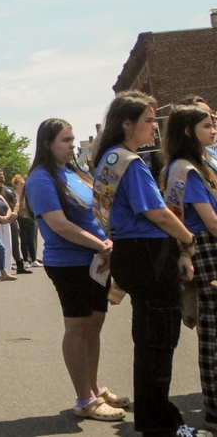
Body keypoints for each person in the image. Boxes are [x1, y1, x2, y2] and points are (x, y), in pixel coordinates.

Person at [92, 91, 200, 437]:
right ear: (127, 123)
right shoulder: (131, 163)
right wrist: (188, 240)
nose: (155, 127)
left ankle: (156, 418)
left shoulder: (109, 159)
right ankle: (161, 422)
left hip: (129, 252)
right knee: (160, 339)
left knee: (149, 338)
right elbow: (156, 213)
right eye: (149, 120)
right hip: (149, 255)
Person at [25, 118, 127, 422]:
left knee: (93, 326)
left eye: (72, 140)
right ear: (47, 144)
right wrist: (100, 245)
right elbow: (59, 225)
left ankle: (93, 390)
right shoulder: (41, 179)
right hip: (69, 263)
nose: (71, 146)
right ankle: (84, 399)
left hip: (94, 261)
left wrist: (105, 243)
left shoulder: (71, 172)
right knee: (78, 328)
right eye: (65, 141)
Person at [159, 104, 217, 431]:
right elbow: (211, 223)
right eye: (206, 125)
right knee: (212, 335)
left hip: (206, 250)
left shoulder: (196, 164)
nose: (213, 129)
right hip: (209, 252)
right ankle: (214, 412)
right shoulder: (187, 169)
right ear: (187, 131)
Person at [14, 174, 41, 267]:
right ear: (16, 185)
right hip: (21, 219)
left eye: (24, 184)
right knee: (24, 240)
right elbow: (18, 207)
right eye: (21, 184)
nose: (23, 185)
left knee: (31, 239)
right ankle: (25, 259)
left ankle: (33, 260)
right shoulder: (15, 195)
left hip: (30, 218)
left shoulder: (27, 194)